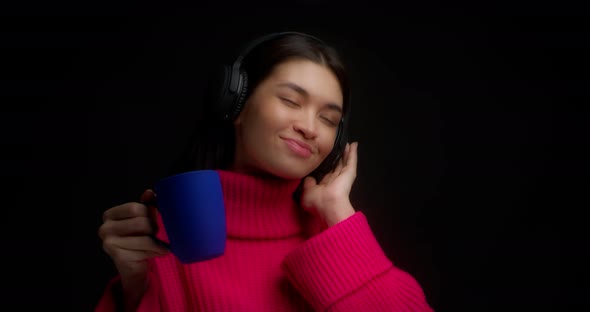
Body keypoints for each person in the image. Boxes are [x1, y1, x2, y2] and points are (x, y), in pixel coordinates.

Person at [96, 31, 434, 312]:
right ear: (236, 106)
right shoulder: (167, 234)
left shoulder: (334, 233)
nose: (309, 127)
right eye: (290, 101)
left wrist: (338, 212)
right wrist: (135, 287)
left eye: (328, 119)